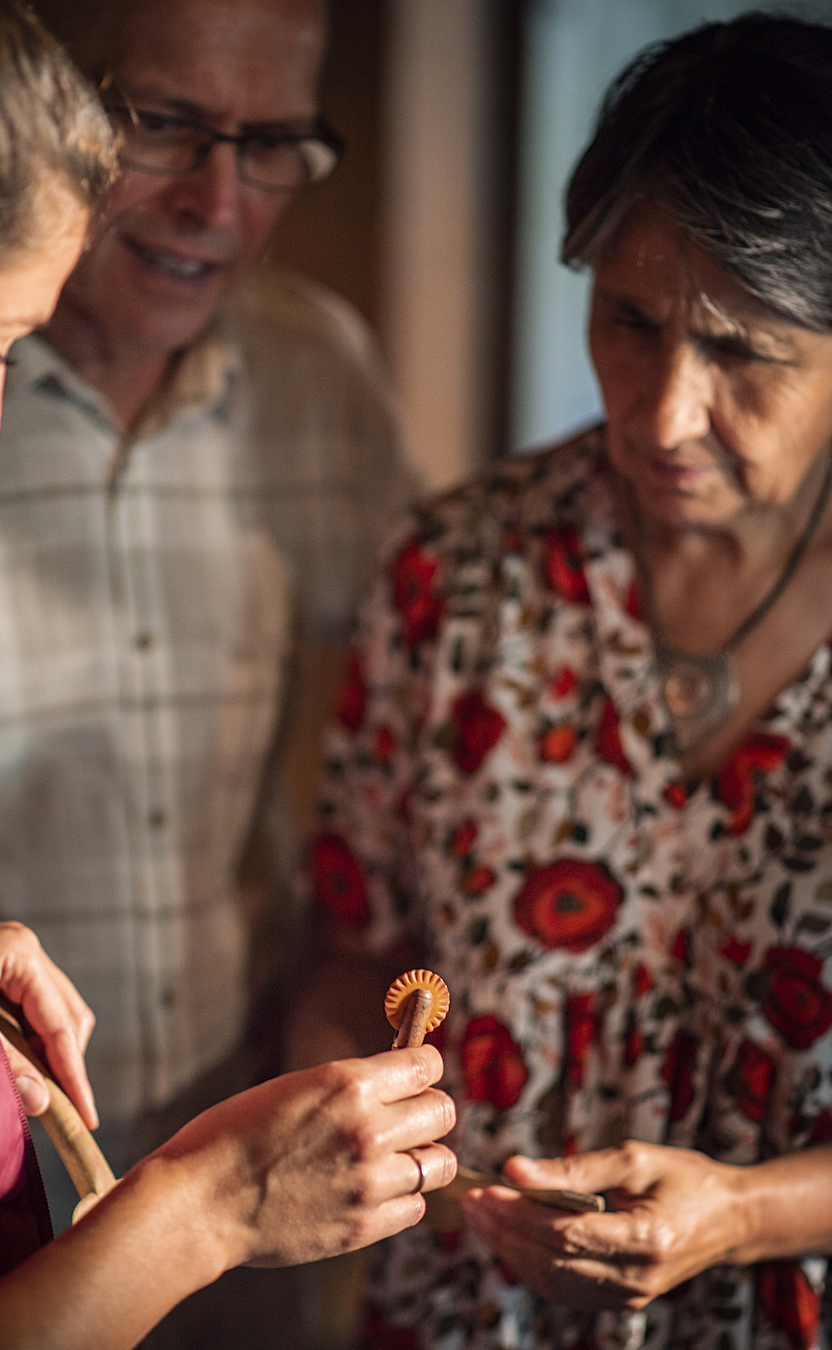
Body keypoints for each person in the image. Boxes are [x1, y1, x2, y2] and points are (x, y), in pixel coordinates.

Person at [0, 2, 461, 1346]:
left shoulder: (321, 378)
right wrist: (212, 1203)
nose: (215, 199)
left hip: (200, 1137)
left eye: (268, 145)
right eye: (164, 124)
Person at [290, 15, 832, 1350]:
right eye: (630, 322)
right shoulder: (458, 571)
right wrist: (381, 1126)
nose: (660, 414)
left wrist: (749, 1211)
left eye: (746, 355)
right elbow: (354, 951)